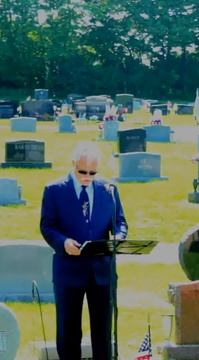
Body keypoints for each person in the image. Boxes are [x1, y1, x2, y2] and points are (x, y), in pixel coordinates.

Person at [40, 142, 128, 360]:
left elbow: (120, 222)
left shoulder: (108, 189)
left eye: (93, 172)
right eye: (82, 171)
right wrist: (64, 242)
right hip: (69, 270)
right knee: (69, 330)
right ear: (73, 165)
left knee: (103, 330)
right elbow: (47, 226)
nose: (87, 176)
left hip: (102, 271)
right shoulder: (54, 190)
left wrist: (119, 236)